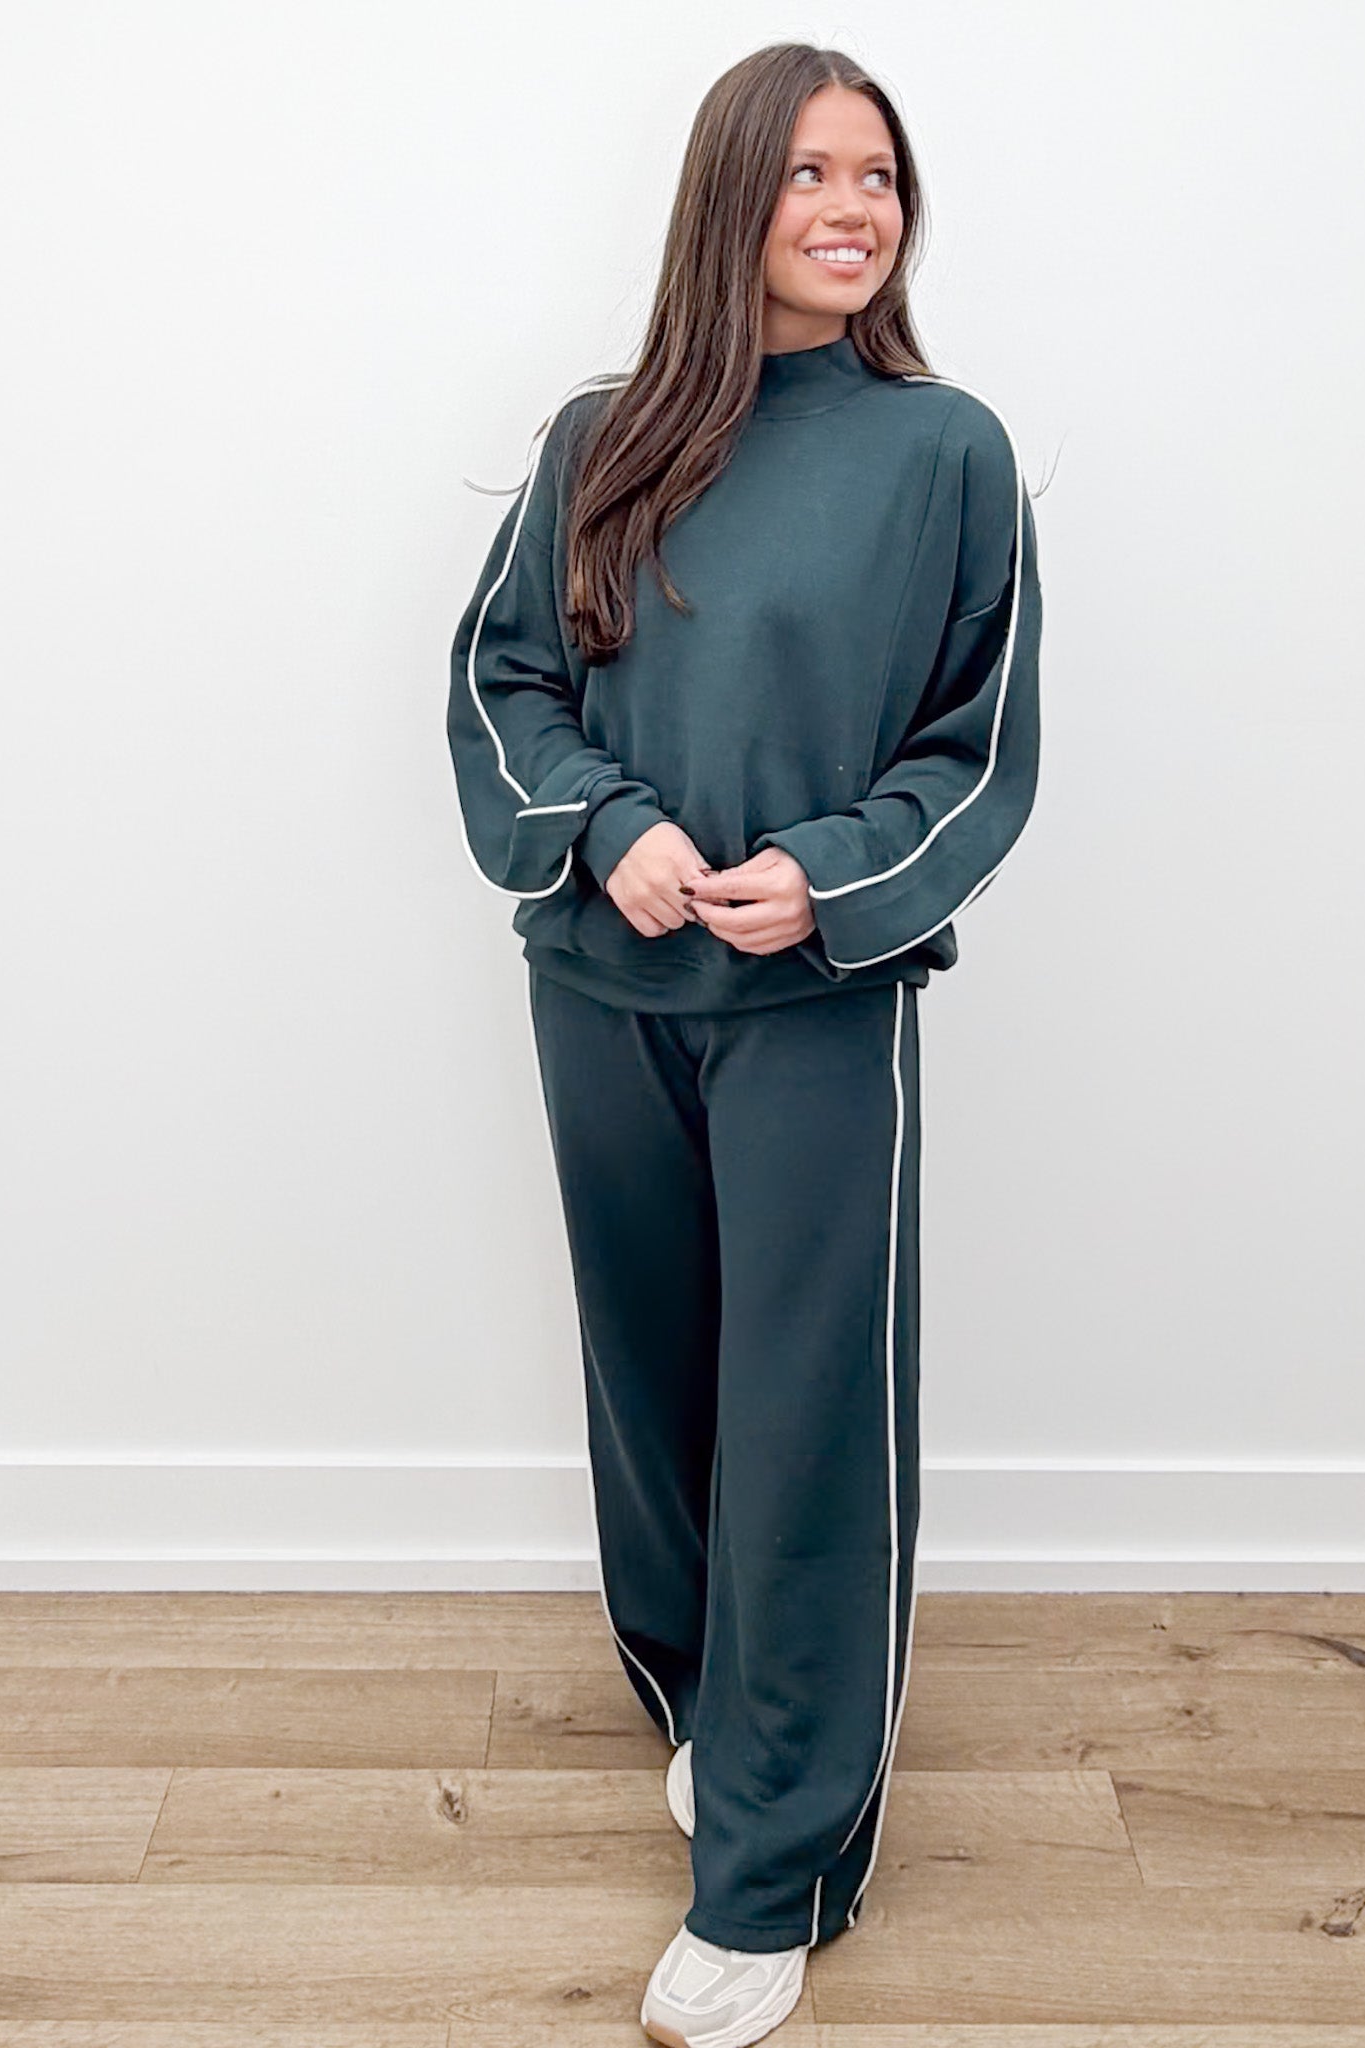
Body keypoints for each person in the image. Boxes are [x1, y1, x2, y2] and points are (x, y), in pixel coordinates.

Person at [446, 41, 1042, 2048]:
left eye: (879, 174)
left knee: (806, 1425)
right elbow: (507, 680)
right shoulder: (600, 436)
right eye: (808, 174)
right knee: (653, 1394)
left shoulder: (945, 452)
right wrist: (603, 827)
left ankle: (775, 1865)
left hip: (816, 1009)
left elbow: (978, 747)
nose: (854, 208)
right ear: (731, 200)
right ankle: (711, 1708)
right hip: (600, 992)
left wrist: (831, 875)